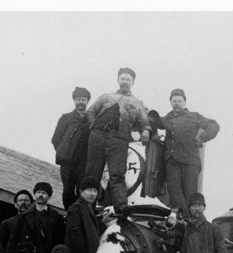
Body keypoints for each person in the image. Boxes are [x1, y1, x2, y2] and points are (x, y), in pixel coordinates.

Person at [85, 67, 151, 221]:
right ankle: (87, 207)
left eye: (128, 79)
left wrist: (146, 131)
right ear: (118, 80)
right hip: (98, 136)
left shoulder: (137, 102)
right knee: (92, 173)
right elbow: (90, 112)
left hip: (119, 139)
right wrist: (94, 127)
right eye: (123, 78)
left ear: (132, 82)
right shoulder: (106, 96)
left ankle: (121, 207)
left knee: (117, 174)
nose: (125, 82)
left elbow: (144, 121)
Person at [157, 88, 219, 216]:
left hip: (190, 161)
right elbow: (152, 121)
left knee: (190, 193)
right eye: (174, 101)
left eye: (179, 100)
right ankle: (185, 218)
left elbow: (214, 125)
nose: (177, 103)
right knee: (173, 191)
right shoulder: (166, 118)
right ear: (170, 102)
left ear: (184, 102)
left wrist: (202, 137)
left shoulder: (194, 116)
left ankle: (190, 219)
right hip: (172, 160)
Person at [7, 181, 66, 253]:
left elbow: (59, 241)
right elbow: (13, 240)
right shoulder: (24, 216)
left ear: (49, 196)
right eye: (38, 192)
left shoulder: (56, 217)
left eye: (44, 193)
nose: (40, 195)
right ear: (34, 194)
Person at [52, 87, 92, 209]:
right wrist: (64, 152)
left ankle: (80, 214)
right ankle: (69, 213)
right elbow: (55, 139)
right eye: (78, 99)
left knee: (82, 189)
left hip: (84, 162)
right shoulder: (66, 118)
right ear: (74, 101)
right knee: (67, 189)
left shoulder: (92, 120)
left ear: (87, 101)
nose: (81, 102)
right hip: (67, 161)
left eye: (83, 100)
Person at [65, 176, 106, 253]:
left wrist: (102, 223)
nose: (92, 194)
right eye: (89, 190)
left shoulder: (88, 209)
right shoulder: (76, 208)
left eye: (95, 190)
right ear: (81, 192)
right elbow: (75, 234)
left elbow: (91, 232)